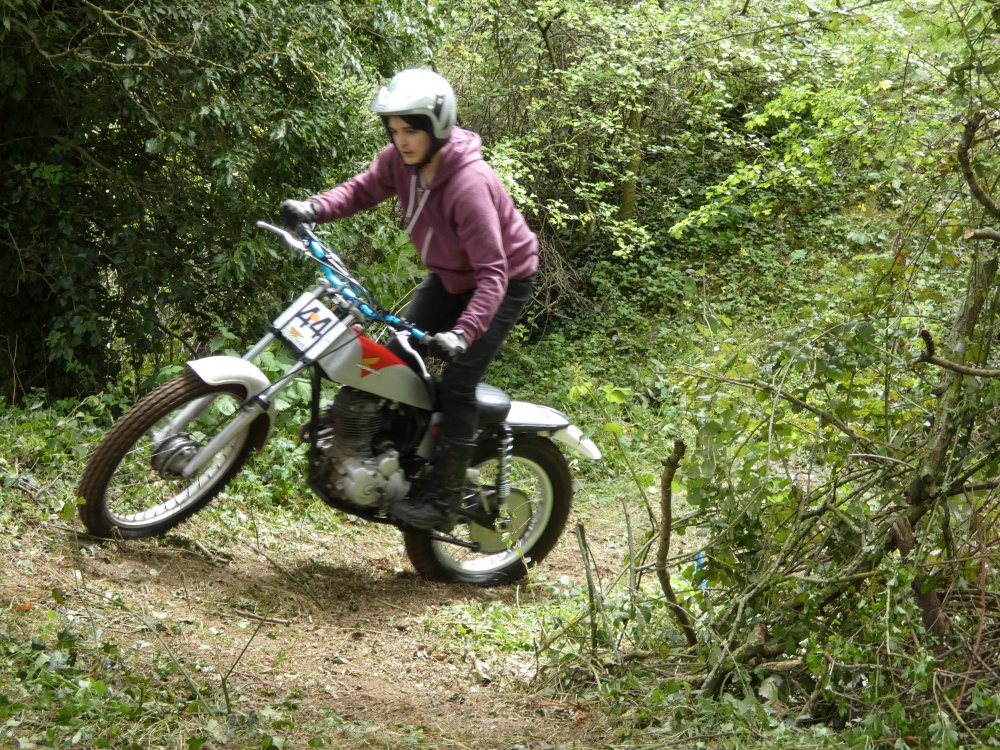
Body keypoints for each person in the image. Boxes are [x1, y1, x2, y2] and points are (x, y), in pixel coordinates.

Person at [280, 68, 539, 532]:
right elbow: (362, 189)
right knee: (391, 361)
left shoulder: (469, 184)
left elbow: (493, 273)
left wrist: (463, 333)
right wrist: (315, 208)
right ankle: (392, 456)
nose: (401, 140)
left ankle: (443, 500)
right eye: (394, 130)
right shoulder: (400, 162)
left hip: (502, 282)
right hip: (449, 276)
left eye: (411, 130)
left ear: (437, 127)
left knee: (458, 383)